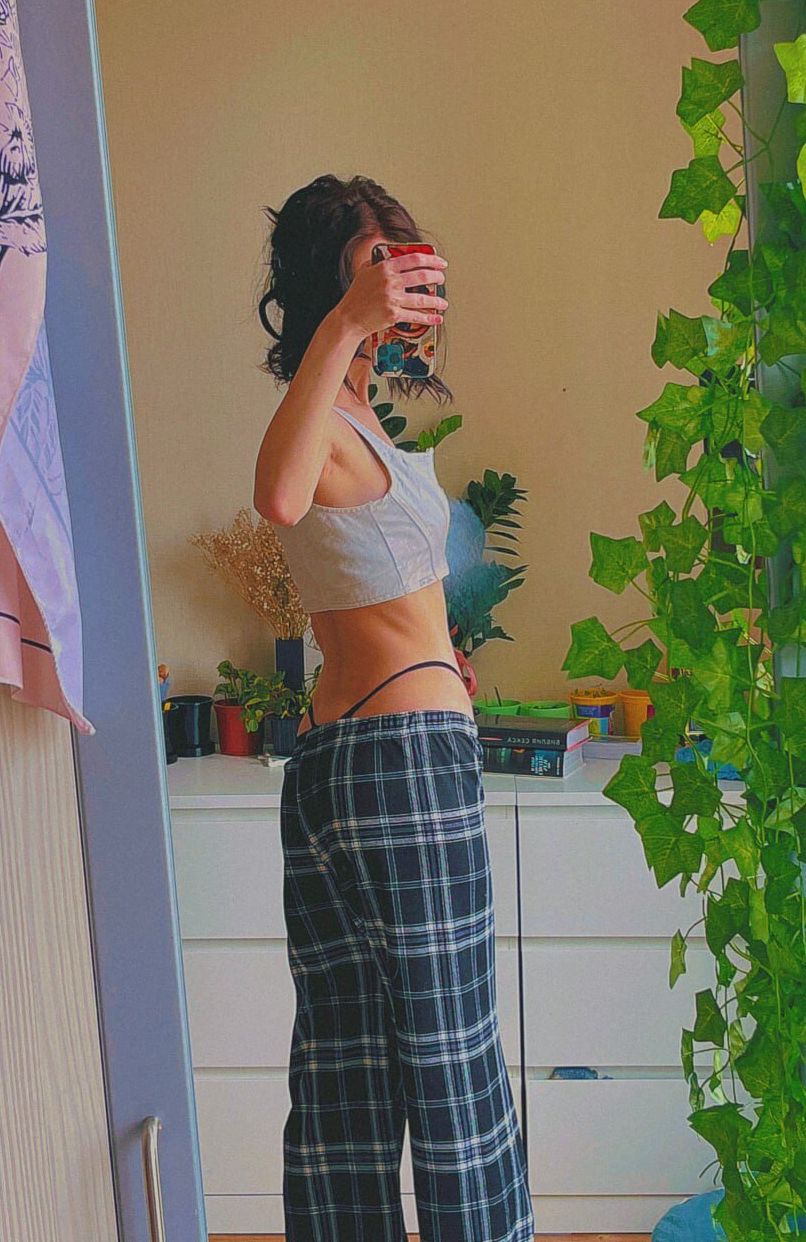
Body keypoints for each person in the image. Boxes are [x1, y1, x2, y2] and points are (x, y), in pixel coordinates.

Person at [253, 174, 535, 1242]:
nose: (397, 280)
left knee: (349, 1070)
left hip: (352, 759)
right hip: (401, 768)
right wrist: (343, 325)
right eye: (374, 262)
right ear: (328, 286)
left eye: (401, 259)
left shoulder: (361, 417)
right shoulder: (319, 413)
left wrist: (442, 652)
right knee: (453, 1066)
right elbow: (278, 498)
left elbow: (369, 575)